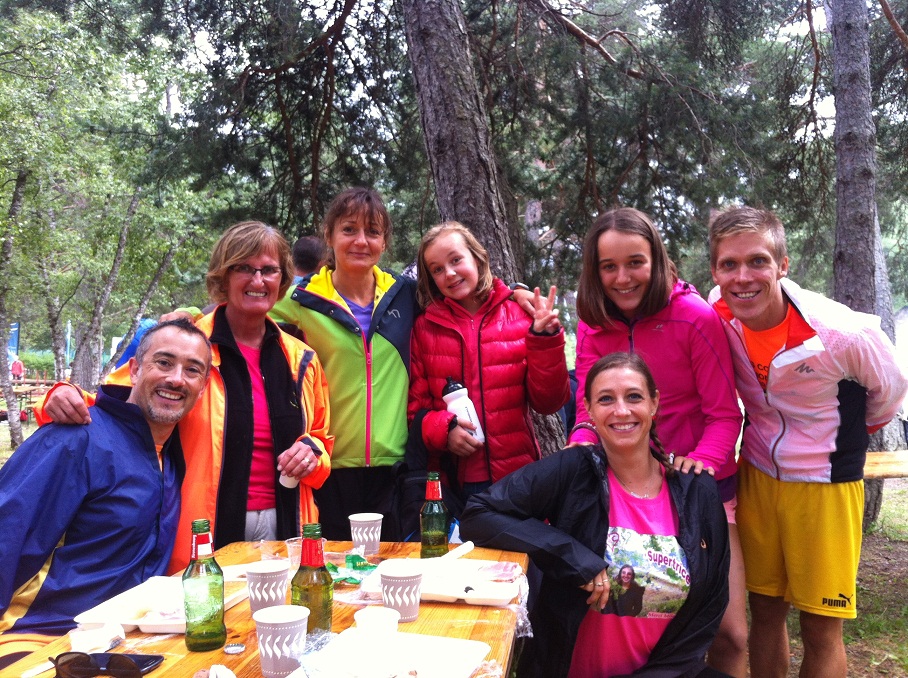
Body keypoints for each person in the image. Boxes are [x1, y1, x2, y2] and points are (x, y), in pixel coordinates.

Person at [35, 221, 333, 572]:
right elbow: (110, 409)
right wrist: (55, 397)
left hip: (287, 525)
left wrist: (313, 453)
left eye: (269, 270)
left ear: (283, 279)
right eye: (244, 269)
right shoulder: (184, 347)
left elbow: (322, 440)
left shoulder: (302, 360)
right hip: (199, 527)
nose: (258, 281)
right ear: (223, 276)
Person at [707, 206, 908, 678]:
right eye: (728, 264)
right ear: (715, 271)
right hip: (756, 475)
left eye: (757, 261)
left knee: (820, 627)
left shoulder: (839, 332)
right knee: (766, 611)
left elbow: (891, 390)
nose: (743, 277)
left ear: (782, 264)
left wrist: (844, 440)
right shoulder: (718, 309)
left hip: (825, 485)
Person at [460, 352, 730, 678]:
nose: (621, 410)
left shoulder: (697, 492)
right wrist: (572, 557)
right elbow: (479, 512)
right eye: (606, 399)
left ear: (654, 404)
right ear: (589, 408)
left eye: (634, 397)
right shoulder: (574, 471)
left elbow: (709, 607)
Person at [569, 207, 746, 675]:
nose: (622, 277)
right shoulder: (592, 322)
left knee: (728, 632)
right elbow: (588, 408)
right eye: (609, 266)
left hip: (700, 491)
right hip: (625, 493)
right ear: (595, 270)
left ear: (657, 260)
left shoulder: (693, 317)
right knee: (633, 619)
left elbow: (725, 415)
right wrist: (580, 442)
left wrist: (697, 465)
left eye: (635, 263)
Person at [0, 320, 211, 665]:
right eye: (164, 362)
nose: (176, 378)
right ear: (135, 369)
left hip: (129, 639)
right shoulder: (76, 438)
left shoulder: (173, 456)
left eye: (192, 370)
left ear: (202, 389)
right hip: (42, 636)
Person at [269, 187, 418, 540]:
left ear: (385, 242)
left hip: (393, 470)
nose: (361, 241)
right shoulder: (301, 300)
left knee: (390, 577)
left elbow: (464, 292)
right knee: (337, 579)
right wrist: (190, 315)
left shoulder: (408, 295)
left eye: (373, 231)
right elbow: (239, 311)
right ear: (329, 236)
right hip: (328, 468)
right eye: (349, 229)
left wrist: (517, 291)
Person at [408, 221, 570, 500]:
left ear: (478, 258)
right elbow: (415, 411)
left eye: (456, 259)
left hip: (517, 477)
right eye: (437, 269)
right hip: (454, 484)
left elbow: (549, 403)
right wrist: (444, 430)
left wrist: (546, 341)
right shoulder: (425, 328)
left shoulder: (520, 315)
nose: (449, 273)